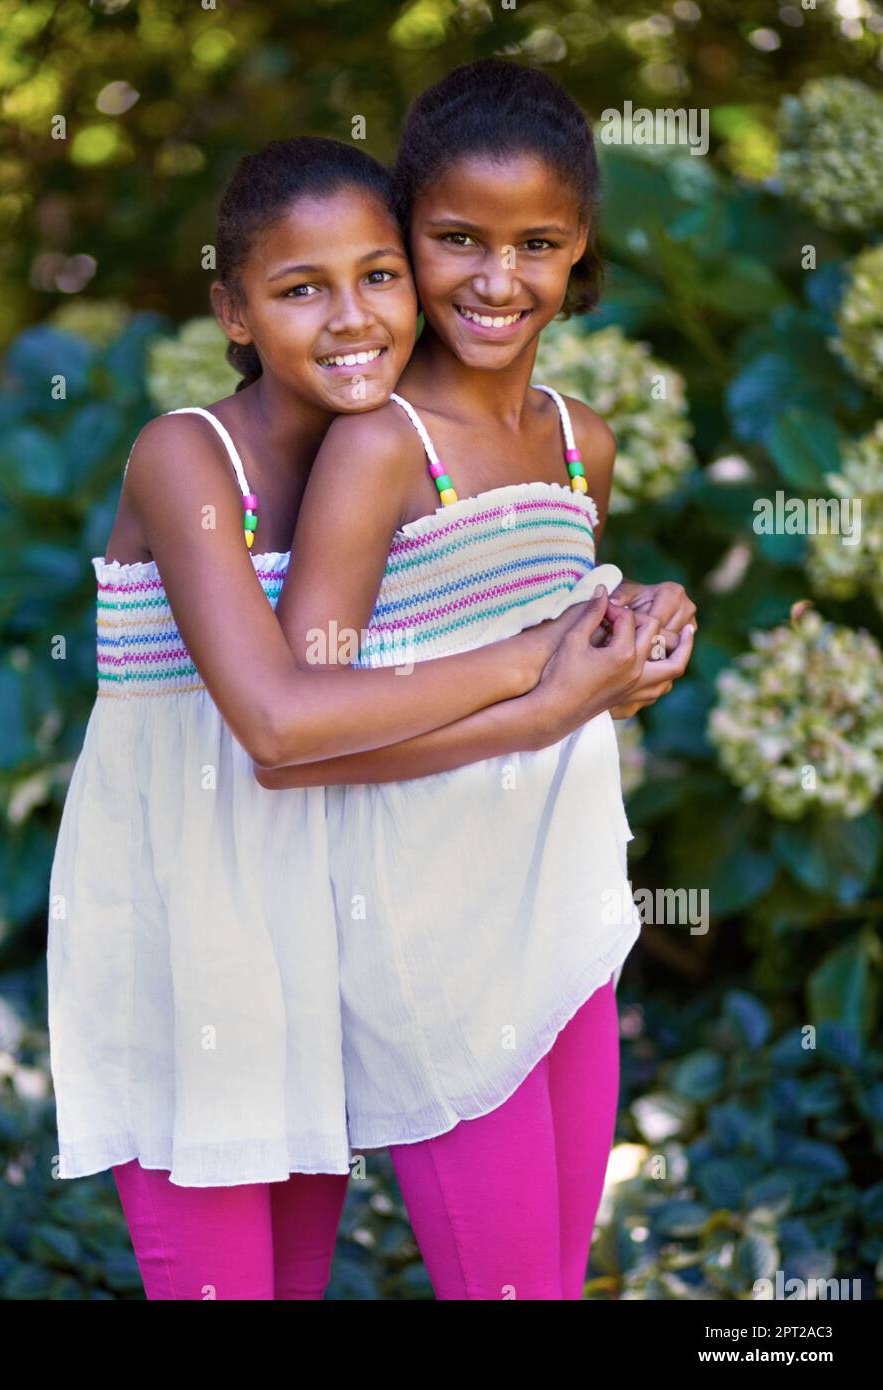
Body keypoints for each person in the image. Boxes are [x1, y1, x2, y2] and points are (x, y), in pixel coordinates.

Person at [46, 135, 608, 1301]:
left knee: (301, 1274)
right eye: (301, 289)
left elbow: (428, 656)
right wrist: (533, 678)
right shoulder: (188, 457)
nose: (351, 317)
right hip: (193, 928)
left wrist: (622, 616)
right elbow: (279, 724)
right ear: (234, 312)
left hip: (328, 912)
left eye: (378, 275)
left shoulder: (392, 459)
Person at [258, 60, 696, 1300]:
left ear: (579, 248)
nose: (497, 280)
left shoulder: (578, 440)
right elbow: (303, 732)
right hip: (434, 931)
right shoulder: (378, 449)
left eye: (535, 245)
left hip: (565, 911)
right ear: (406, 234)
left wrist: (637, 630)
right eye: (457, 239)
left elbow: (550, 637)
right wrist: (545, 700)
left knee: (553, 1279)